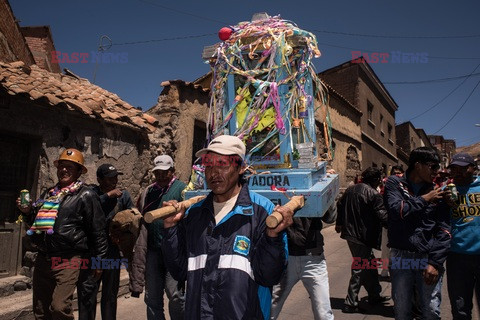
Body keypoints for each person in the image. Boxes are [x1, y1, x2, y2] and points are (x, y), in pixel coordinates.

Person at [161, 135, 294, 319]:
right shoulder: (195, 214)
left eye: (223, 164)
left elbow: (269, 276)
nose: (214, 173)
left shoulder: (262, 212)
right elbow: (179, 270)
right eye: (209, 165)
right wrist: (170, 229)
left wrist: (272, 237)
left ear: (240, 168)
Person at [16, 148, 108, 320]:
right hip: (43, 258)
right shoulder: (49, 194)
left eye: (70, 167)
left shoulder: (86, 195)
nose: (64, 170)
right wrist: (27, 212)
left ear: (79, 171)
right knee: (41, 311)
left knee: (59, 308)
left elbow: (98, 230)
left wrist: (100, 261)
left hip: (69, 259)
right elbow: (36, 222)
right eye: (61, 166)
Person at [384, 147, 452, 320]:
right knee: (402, 309)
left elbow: (444, 230)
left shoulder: (439, 191)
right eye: (433, 166)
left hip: (427, 258)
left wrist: (435, 262)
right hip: (400, 257)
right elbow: (396, 210)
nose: (436, 171)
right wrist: (425, 199)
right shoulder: (394, 183)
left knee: (431, 310)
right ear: (418, 165)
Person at [130, 155, 186, 320]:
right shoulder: (149, 191)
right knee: (152, 297)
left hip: (174, 251)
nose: (161, 176)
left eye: (164, 172)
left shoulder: (182, 189)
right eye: (158, 173)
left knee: (175, 294)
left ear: (172, 171)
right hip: (153, 250)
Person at [77, 164, 134, 320]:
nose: (114, 181)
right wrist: (107, 196)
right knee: (88, 293)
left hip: (112, 252)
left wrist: (122, 234)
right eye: (110, 178)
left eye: (116, 177)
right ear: (99, 179)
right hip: (92, 252)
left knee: (109, 295)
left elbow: (133, 217)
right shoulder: (90, 194)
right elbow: (85, 210)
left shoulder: (124, 196)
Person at [336, 167, 390, 313]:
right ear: (375, 180)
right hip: (362, 236)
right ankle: (350, 302)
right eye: (379, 179)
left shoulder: (351, 190)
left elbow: (340, 205)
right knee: (359, 268)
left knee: (370, 264)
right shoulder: (373, 194)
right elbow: (383, 216)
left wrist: (339, 223)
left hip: (351, 234)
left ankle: (374, 294)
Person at [270, 204, 336, 320]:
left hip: (313, 259)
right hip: (286, 257)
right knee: (271, 307)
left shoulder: (316, 187)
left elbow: (331, 218)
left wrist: (328, 196)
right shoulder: (280, 188)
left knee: (323, 311)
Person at [446, 153, 480, 319]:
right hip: (457, 257)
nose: (457, 172)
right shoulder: (447, 192)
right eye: (454, 168)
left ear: (473, 168)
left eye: (462, 168)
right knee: (460, 309)